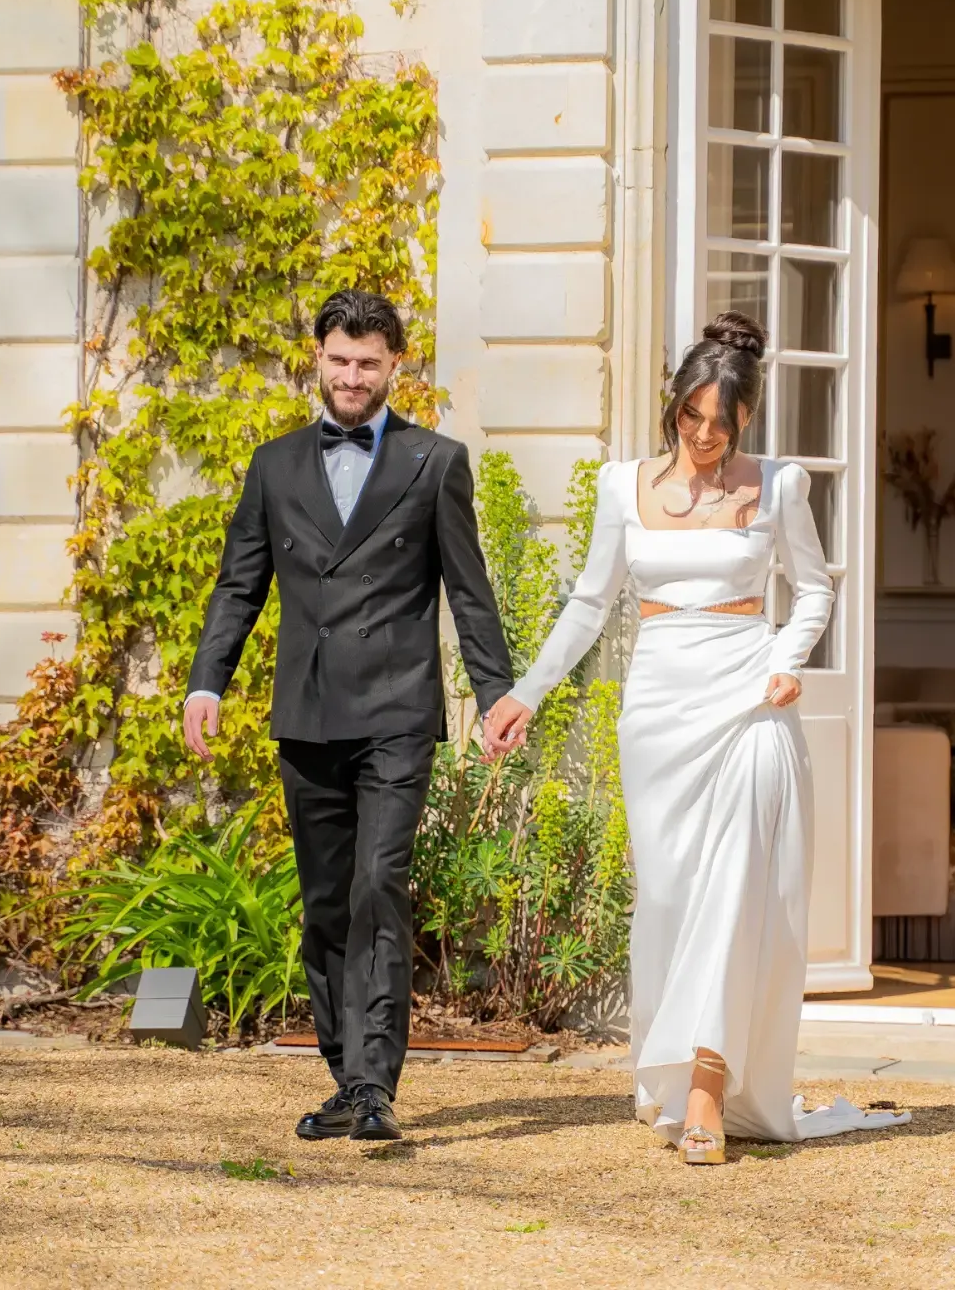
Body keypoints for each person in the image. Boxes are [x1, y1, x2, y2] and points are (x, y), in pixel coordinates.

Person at [483, 312, 910, 1164]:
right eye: (691, 417)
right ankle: (670, 1078)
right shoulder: (618, 486)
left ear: (745, 418)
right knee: (672, 897)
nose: (705, 436)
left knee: (738, 889)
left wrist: (790, 660)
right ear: (673, 406)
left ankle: (710, 1093)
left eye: (721, 422)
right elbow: (587, 604)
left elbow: (816, 591)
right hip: (658, 706)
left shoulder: (780, 486)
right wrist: (525, 692)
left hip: (751, 698)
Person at [183, 289, 513, 1143]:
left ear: (395, 366)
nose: (353, 376)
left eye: (369, 363)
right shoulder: (275, 464)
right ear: (317, 359)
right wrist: (205, 681)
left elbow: (469, 594)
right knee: (328, 900)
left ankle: (374, 1086)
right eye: (340, 360)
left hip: (398, 711)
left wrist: (494, 692)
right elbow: (238, 585)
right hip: (309, 711)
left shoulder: (434, 462)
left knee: (379, 886)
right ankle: (345, 1076)